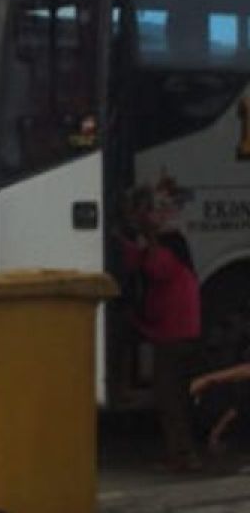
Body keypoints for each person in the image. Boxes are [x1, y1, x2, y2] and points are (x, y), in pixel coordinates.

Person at [115, 184, 202, 471]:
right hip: (174, 328)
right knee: (172, 394)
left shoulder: (168, 243)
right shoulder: (167, 242)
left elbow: (156, 269)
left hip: (175, 331)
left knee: (169, 396)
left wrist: (144, 236)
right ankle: (180, 452)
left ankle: (182, 455)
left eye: (146, 211)